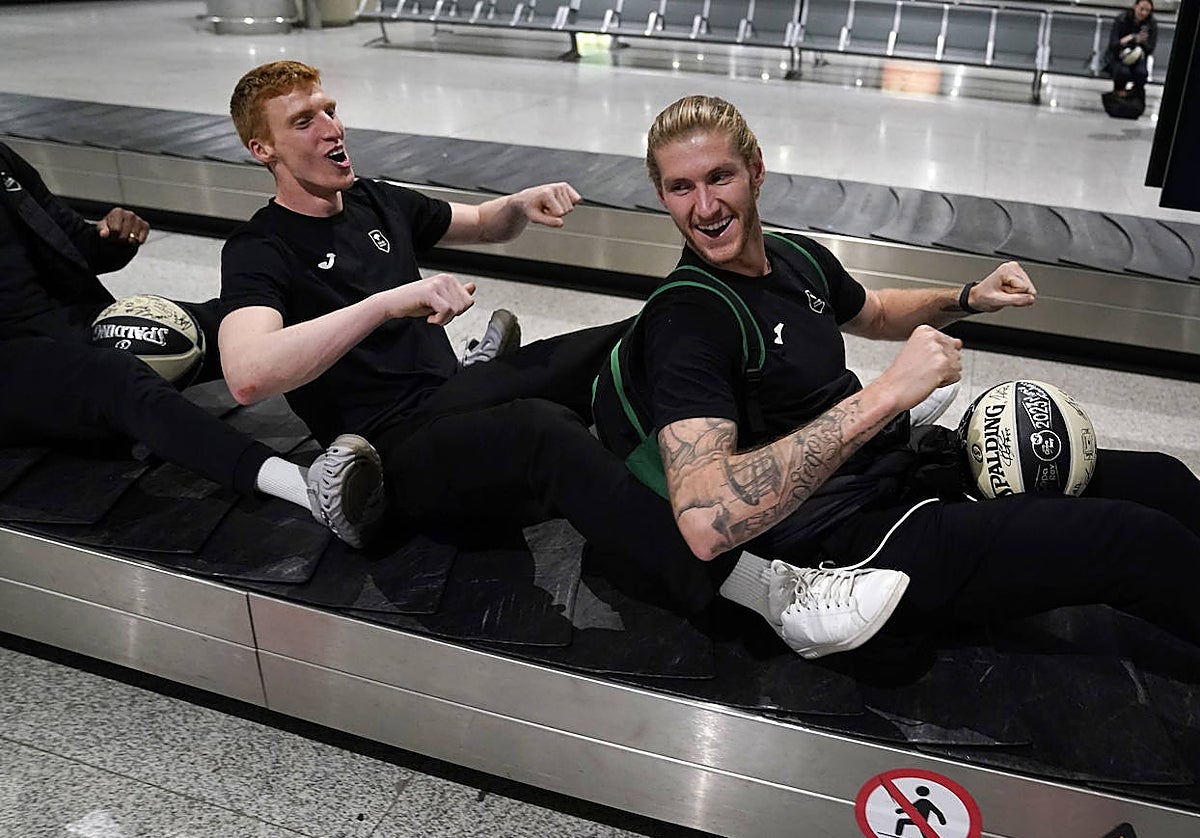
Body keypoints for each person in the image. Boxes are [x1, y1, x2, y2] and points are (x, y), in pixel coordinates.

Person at [218, 60, 907, 659]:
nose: (331, 128)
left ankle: (784, 439)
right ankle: (776, 596)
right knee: (544, 431)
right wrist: (384, 305)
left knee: (650, 330)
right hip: (391, 455)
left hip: (454, 393)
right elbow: (248, 374)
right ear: (262, 149)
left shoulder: (371, 199)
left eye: (330, 110)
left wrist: (522, 202)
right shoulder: (261, 249)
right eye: (304, 121)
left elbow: (484, 224)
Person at [592, 94, 1200, 653]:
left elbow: (875, 311)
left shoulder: (797, 257)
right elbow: (705, 520)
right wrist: (886, 395)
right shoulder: (690, 320)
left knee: (1165, 480)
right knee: (1133, 543)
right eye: (680, 188)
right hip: (851, 540)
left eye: (719, 176)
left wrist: (968, 296)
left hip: (901, 466)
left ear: (756, 169)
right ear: (660, 193)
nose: (704, 207)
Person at [0, 140, 384, 548]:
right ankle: (307, 489)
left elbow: (77, 244)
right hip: (12, 363)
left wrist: (112, 235)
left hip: (72, 325)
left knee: (234, 322)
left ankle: (406, 385)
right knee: (113, 377)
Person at [1106, 0, 1157, 99]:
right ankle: (1118, 96)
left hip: (1139, 57)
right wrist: (1127, 40)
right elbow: (1113, 45)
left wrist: (1142, 42)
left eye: (1147, 10)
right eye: (1141, 9)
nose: (1144, 13)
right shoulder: (1122, 19)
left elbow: (1150, 49)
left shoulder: (1151, 24)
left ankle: (1136, 96)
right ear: (1135, 7)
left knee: (1141, 73)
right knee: (1122, 72)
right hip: (1119, 55)